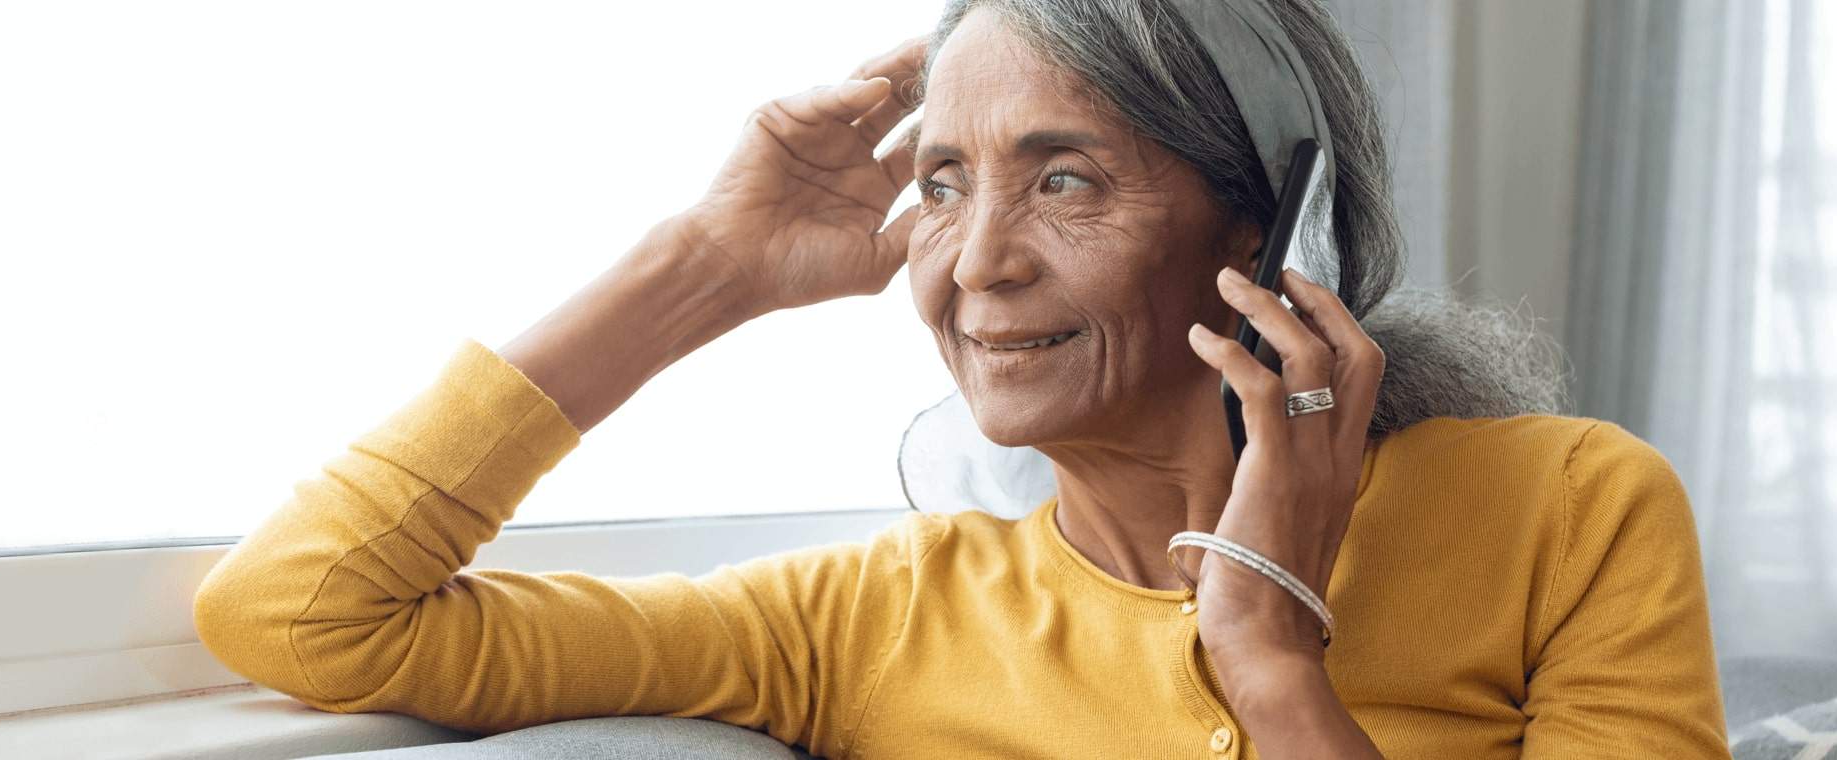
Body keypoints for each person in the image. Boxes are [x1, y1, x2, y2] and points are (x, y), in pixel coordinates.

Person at [194, 1, 1729, 756]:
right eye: (940, 184)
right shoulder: (867, 621)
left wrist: (1267, 657)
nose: (975, 261)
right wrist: (707, 267)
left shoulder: (1567, 511)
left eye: (1064, 183)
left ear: (1273, 226)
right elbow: (304, 610)